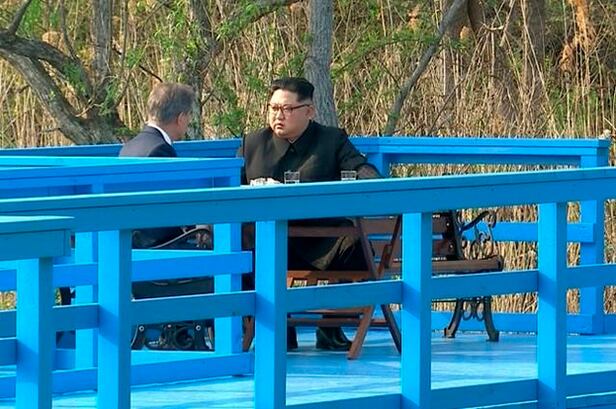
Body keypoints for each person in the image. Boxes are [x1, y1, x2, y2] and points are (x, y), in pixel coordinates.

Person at [239, 77, 380, 351]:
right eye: (273, 108)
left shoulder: (331, 139)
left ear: (309, 111)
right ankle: (277, 327)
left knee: (357, 248)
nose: (278, 115)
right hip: (270, 240)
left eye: (287, 109)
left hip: (321, 237)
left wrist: (372, 180)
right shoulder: (253, 143)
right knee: (240, 243)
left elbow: (360, 168)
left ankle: (331, 324)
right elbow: (233, 185)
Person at [120, 82, 213, 350]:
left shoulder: (129, 148)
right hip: (156, 249)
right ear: (181, 118)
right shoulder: (160, 150)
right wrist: (199, 227)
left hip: (131, 246)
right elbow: (172, 210)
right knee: (232, 255)